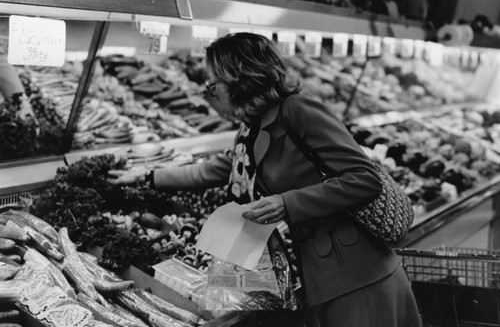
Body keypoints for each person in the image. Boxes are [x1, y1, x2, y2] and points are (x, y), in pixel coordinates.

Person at [109, 32, 421, 327]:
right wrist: (147, 176)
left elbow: (365, 178)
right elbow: (215, 169)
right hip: (314, 279)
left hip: (357, 278)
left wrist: (286, 203)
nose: (209, 90)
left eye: (213, 81)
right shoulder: (251, 128)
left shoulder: (298, 112)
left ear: (240, 78)